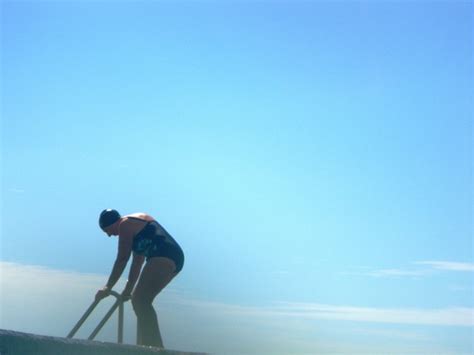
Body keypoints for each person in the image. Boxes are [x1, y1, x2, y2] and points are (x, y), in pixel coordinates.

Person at [95, 209, 184, 348]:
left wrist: (108, 287)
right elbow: (137, 263)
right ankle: (149, 345)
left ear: (112, 223)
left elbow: (122, 258)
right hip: (174, 257)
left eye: (107, 230)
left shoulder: (125, 224)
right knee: (141, 300)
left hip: (164, 254)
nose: (109, 235)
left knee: (140, 300)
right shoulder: (137, 229)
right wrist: (128, 290)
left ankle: (154, 347)